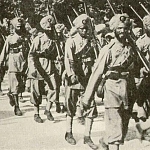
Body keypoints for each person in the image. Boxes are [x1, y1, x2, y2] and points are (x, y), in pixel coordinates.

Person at [81, 13, 137, 150]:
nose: (123, 32)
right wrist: (87, 97)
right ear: (114, 30)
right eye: (119, 29)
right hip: (112, 88)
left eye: (125, 28)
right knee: (115, 126)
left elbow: (136, 67)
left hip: (128, 89)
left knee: (122, 125)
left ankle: (105, 141)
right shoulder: (108, 49)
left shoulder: (131, 48)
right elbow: (97, 73)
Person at [64, 14, 98, 150]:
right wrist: (71, 74)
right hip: (75, 78)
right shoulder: (71, 41)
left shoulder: (92, 41)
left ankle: (87, 136)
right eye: (82, 28)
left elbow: (97, 59)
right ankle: (68, 132)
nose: (85, 31)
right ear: (77, 28)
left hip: (88, 77)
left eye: (87, 28)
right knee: (70, 106)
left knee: (90, 107)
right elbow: (68, 60)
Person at [28, 15, 61, 123]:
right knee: (36, 91)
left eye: (51, 28)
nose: (50, 30)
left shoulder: (54, 40)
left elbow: (57, 52)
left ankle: (47, 110)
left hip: (50, 66)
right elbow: (31, 55)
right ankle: (36, 113)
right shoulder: (38, 39)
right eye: (48, 28)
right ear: (44, 29)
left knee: (54, 88)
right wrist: (32, 68)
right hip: (38, 67)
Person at [0, 17, 29, 116]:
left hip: (23, 62)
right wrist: (1, 62)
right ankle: (17, 107)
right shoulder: (10, 38)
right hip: (13, 62)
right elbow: (4, 51)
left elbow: (28, 51)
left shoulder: (25, 37)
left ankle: (10, 93)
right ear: (14, 27)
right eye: (18, 27)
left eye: (21, 27)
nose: (19, 28)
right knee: (15, 85)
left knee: (21, 85)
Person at [135, 14, 150, 141]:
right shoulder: (141, 42)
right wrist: (141, 70)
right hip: (146, 77)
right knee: (143, 104)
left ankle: (144, 127)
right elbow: (135, 62)